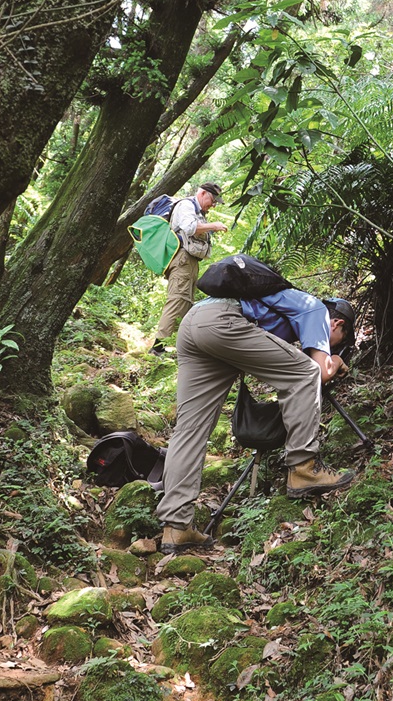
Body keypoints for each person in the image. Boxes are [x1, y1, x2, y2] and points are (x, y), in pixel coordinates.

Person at [155, 289, 357, 550]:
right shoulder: (317, 310)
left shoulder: (280, 306)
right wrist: (336, 358)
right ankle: (305, 468)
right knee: (306, 373)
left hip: (195, 320)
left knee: (189, 431)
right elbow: (318, 371)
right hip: (222, 322)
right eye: (337, 342)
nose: (331, 347)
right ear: (337, 324)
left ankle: (176, 528)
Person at [149, 182, 227, 355]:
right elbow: (189, 227)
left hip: (190, 261)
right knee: (177, 299)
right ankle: (157, 348)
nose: (213, 205)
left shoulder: (198, 211)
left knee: (186, 303)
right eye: (213, 200)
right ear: (203, 193)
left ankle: (183, 345)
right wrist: (213, 226)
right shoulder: (186, 205)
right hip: (182, 259)